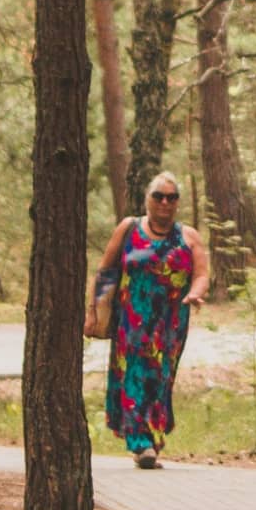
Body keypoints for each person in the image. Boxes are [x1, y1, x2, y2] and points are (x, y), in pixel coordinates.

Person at [92, 173, 206, 467]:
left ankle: (152, 440)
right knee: (134, 375)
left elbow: (202, 274)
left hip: (170, 325)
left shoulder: (188, 236)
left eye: (171, 197)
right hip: (132, 320)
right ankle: (141, 443)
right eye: (159, 196)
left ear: (178, 202)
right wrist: (94, 313)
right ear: (148, 199)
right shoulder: (129, 229)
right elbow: (106, 271)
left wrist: (194, 293)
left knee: (160, 380)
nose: (165, 202)